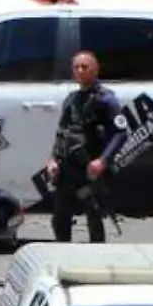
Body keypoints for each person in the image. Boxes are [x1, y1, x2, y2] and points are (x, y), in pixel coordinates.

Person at [46, 50, 125, 243]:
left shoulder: (107, 100)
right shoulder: (71, 100)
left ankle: (96, 259)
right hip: (67, 169)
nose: (80, 71)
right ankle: (63, 255)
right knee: (60, 218)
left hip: (90, 170)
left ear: (95, 69)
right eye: (76, 67)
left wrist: (102, 161)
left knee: (94, 217)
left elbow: (120, 133)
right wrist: (52, 160)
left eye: (85, 66)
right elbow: (61, 133)